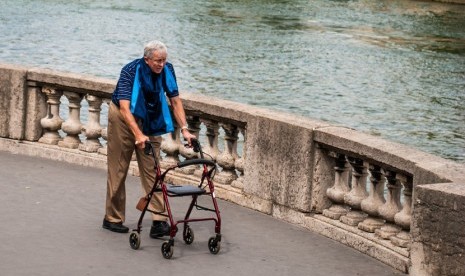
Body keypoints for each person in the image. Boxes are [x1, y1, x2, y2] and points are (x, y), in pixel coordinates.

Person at [103, 40, 195, 237]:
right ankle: (112, 218)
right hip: (123, 118)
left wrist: (185, 129)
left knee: (153, 169)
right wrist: (137, 134)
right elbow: (125, 108)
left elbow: (175, 100)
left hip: (151, 117)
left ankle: (158, 221)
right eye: (157, 61)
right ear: (146, 59)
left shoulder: (167, 70)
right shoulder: (130, 71)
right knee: (119, 167)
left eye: (163, 60)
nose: (161, 64)